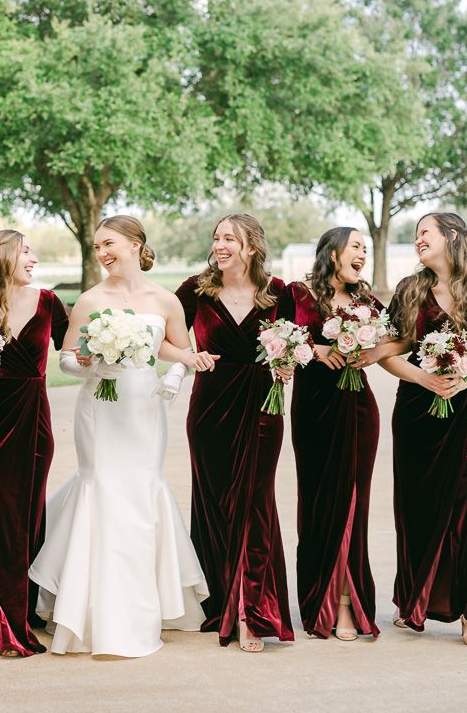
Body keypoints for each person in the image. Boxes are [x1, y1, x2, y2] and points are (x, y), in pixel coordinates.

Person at [30, 214, 213, 657]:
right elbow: (66, 359)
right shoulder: (91, 300)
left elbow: (173, 350)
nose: (103, 253)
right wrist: (93, 362)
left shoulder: (167, 299)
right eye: (97, 247)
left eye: (109, 243)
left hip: (144, 408)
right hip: (101, 408)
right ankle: (91, 607)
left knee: (140, 490)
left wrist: (178, 372)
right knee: (103, 487)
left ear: (135, 245)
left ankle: (142, 600)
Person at [380, 212, 467, 648]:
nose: (417, 240)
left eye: (425, 232)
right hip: (419, 411)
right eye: (416, 235)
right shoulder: (410, 289)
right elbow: (390, 351)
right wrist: (422, 377)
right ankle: (416, 602)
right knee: (418, 506)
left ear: (452, 236)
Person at [175, 214, 295, 651]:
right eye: (217, 237)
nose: (220, 244)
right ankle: (222, 599)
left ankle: (251, 610)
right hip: (210, 409)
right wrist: (189, 357)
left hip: (263, 407)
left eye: (230, 238)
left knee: (255, 503)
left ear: (252, 248)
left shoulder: (279, 292)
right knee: (215, 505)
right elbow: (163, 338)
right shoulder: (195, 289)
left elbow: (295, 343)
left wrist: (287, 363)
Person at [0, 230, 70, 656]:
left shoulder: (49, 302)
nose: (33, 258)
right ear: (1, 257)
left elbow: (74, 353)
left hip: (32, 423)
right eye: (25, 251)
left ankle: (20, 614)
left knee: (27, 517)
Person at [290, 227, 397, 640]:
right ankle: (319, 600)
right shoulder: (299, 295)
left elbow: (398, 338)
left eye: (365, 250)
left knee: (354, 502)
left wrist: (370, 351)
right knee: (318, 502)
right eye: (356, 247)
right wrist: (315, 349)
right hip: (313, 411)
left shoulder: (366, 301)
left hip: (357, 408)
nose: (362, 255)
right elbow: (276, 339)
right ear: (333, 253)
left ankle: (347, 604)